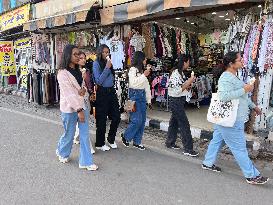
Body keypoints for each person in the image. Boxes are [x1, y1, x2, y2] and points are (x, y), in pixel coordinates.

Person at [202, 51, 269, 185]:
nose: (242, 61)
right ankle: (252, 175)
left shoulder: (234, 76)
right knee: (239, 149)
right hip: (231, 120)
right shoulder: (226, 77)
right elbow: (224, 96)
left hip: (227, 119)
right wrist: (245, 89)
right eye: (239, 60)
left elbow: (241, 97)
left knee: (217, 141)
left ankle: (208, 163)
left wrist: (253, 106)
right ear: (231, 64)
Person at [56, 44, 98, 171]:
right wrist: (78, 109)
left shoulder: (79, 70)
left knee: (84, 134)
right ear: (67, 55)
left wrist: (83, 89)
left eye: (79, 54)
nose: (78, 56)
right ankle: (62, 151)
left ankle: (86, 161)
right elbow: (68, 94)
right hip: (70, 109)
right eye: (75, 54)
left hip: (82, 106)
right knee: (69, 134)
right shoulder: (62, 73)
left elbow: (81, 87)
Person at [166, 54, 199, 157]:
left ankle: (170, 142)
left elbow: (182, 86)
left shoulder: (180, 73)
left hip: (178, 100)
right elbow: (177, 90)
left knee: (174, 122)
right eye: (188, 62)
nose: (189, 64)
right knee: (184, 124)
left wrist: (189, 86)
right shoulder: (175, 73)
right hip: (175, 101)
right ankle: (188, 149)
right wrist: (190, 80)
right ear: (184, 62)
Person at [121, 51, 151, 150]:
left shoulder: (141, 71)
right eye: (144, 58)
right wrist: (144, 75)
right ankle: (126, 136)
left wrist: (149, 99)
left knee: (142, 121)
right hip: (133, 96)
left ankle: (137, 142)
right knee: (136, 120)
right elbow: (134, 84)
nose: (146, 60)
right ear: (140, 59)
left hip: (142, 97)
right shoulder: (133, 70)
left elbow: (146, 86)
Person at [92, 44, 121, 151]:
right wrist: (107, 68)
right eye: (104, 52)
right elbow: (99, 81)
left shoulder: (109, 64)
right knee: (102, 119)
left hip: (111, 91)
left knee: (116, 117)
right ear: (100, 53)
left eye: (108, 52)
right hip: (102, 92)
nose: (106, 54)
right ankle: (100, 143)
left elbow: (111, 78)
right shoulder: (96, 63)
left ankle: (111, 138)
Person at [73, 51, 95, 154]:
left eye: (84, 58)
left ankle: (76, 137)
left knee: (84, 121)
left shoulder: (87, 70)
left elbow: (89, 83)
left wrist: (91, 92)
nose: (83, 60)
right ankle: (88, 147)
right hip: (77, 101)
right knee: (84, 123)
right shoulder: (74, 72)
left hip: (86, 98)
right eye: (81, 58)